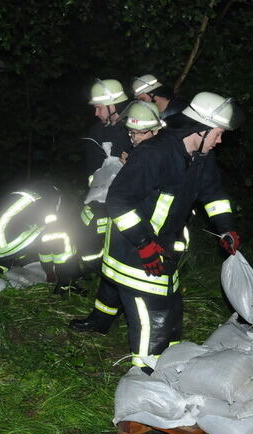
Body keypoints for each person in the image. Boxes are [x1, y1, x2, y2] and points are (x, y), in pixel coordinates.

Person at [103, 91, 244, 374]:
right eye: (217, 133)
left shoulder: (201, 157)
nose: (220, 140)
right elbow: (117, 202)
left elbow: (213, 194)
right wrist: (143, 244)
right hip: (133, 254)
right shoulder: (154, 154)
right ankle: (145, 382)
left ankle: (168, 372)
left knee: (172, 316)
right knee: (152, 323)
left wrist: (226, 227)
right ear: (200, 130)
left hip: (164, 252)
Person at [69, 101, 164, 334]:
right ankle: (100, 320)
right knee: (113, 273)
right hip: (131, 227)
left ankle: (152, 330)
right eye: (130, 133)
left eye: (137, 133)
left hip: (149, 231)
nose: (132, 138)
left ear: (154, 130)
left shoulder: (162, 153)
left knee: (144, 284)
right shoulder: (143, 149)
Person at [0, 183, 80, 297]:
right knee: (62, 234)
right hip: (2, 240)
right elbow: (51, 234)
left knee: (3, 255)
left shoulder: (23, 195)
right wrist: (50, 271)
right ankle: (66, 285)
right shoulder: (51, 197)